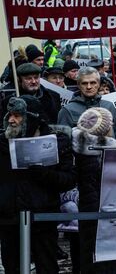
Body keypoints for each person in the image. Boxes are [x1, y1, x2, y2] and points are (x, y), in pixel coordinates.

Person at [0, 96, 76, 274]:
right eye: (9, 115)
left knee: (46, 265)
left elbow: (69, 180)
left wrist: (44, 174)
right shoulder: (2, 143)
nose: (11, 120)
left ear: (31, 118)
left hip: (42, 217)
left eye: (17, 116)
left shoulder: (56, 142)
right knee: (13, 266)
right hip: (9, 218)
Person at [73, 107, 116, 274]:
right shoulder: (107, 153)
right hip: (108, 210)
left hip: (89, 211)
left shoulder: (77, 148)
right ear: (105, 129)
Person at [57, 66, 116, 138]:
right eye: (84, 83)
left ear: (98, 84)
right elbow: (63, 142)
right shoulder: (67, 110)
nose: (89, 87)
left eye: (93, 83)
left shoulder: (109, 106)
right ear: (78, 85)